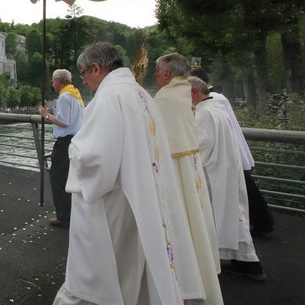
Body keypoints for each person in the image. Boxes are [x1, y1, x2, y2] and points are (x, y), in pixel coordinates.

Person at [54, 42, 201, 305]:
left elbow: (95, 159)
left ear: (96, 68)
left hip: (116, 200)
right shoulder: (140, 93)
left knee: (109, 269)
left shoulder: (109, 98)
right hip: (140, 193)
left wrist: (74, 149)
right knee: (134, 265)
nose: (84, 82)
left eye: (84, 75)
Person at [153, 54, 223, 304]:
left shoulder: (165, 98)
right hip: (192, 170)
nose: (154, 74)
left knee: (178, 225)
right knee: (195, 224)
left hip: (174, 172)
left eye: (156, 70)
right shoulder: (186, 92)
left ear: (167, 73)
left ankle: (181, 287)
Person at [189, 76, 266, 281]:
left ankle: (245, 264)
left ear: (194, 93)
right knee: (235, 220)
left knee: (222, 218)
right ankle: (245, 262)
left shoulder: (204, 114)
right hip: (228, 171)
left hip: (215, 174)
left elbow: (200, 145)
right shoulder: (218, 109)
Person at [189, 67, 275, 236]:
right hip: (224, 147)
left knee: (243, 190)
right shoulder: (213, 100)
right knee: (243, 189)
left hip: (222, 149)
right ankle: (260, 221)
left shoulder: (213, 100)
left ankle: (262, 221)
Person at [38, 69, 83, 228]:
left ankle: (63, 216)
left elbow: (63, 122)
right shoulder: (76, 94)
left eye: (53, 81)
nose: (52, 84)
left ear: (58, 81)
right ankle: (72, 212)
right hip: (75, 140)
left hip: (64, 142)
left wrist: (46, 114)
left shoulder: (64, 97)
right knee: (69, 177)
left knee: (57, 178)